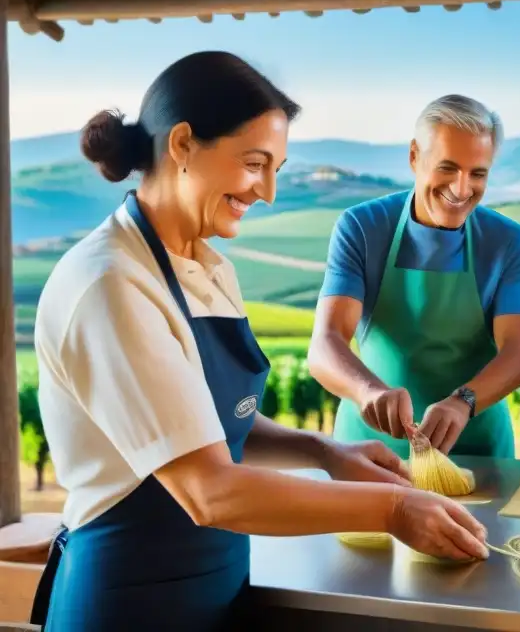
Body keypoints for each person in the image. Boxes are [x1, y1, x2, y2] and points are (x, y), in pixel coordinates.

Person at [31, 53, 489, 632]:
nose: (268, 191)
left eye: (277, 168)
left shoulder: (205, 266)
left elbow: (208, 424)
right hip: (129, 596)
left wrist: (323, 452)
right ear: (182, 145)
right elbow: (210, 491)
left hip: (216, 582)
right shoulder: (110, 285)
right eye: (255, 164)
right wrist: (394, 508)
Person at [308, 94, 520, 459]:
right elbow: (325, 343)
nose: (461, 189)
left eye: (478, 173)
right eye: (447, 168)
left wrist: (464, 401)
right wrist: (368, 391)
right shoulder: (362, 229)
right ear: (415, 156)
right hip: (371, 453)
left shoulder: (507, 241)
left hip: (477, 453)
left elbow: (517, 354)